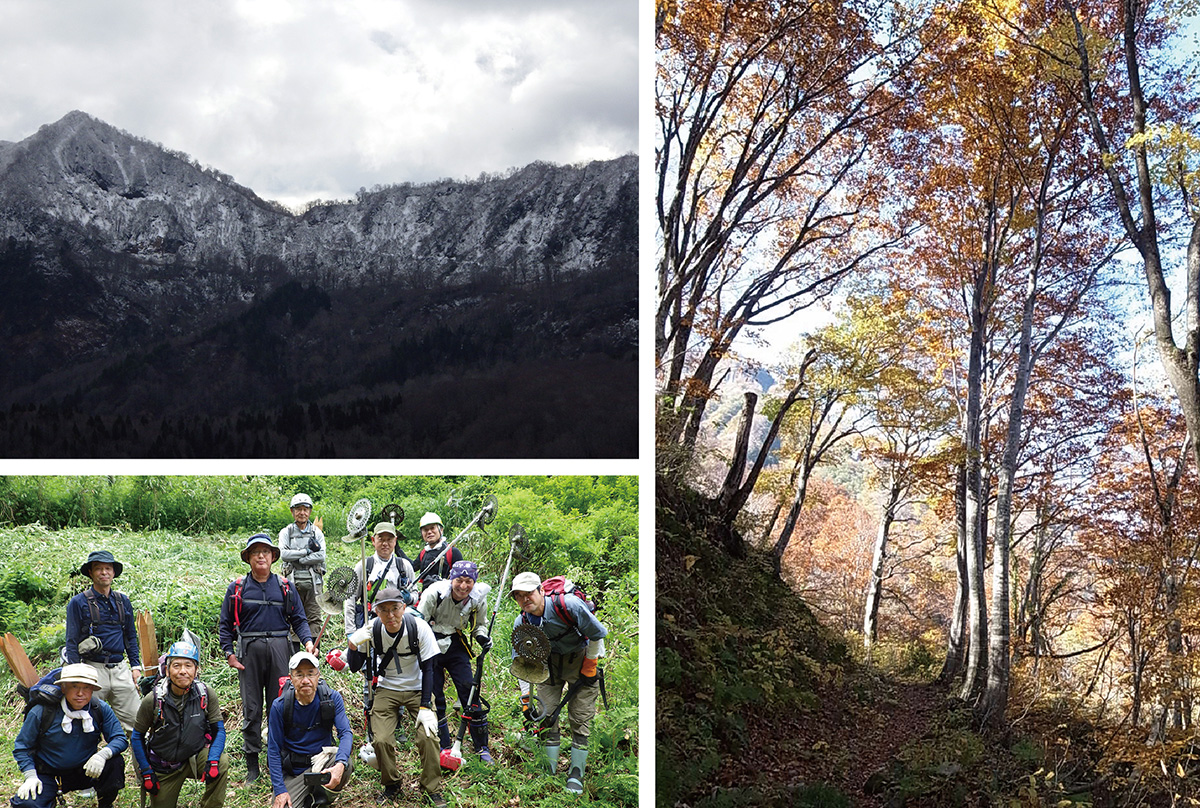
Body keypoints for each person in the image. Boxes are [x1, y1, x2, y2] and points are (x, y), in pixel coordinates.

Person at [218, 533, 315, 783]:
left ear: (273, 557)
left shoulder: (285, 586)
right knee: (252, 709)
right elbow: (225, 625)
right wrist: (229, 653)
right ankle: (252, 764)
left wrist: (307, 642)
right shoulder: (237, 588)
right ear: (248, 558)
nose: (261, 556)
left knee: (280, 706)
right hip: (249, 651)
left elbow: (299, 619)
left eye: (266, 552)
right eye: (255, 552)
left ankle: (279, 758)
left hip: (281, 649)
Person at [510, 572, 608, 795]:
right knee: (546, 714)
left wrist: (590, 665)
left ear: (541, 591)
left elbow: (597, 633)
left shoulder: (569, 606)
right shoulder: (522, 622)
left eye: (529, 593)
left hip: (580, 658)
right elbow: (522, 665)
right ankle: (549, 770)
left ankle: (576, 773)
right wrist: (527, 697)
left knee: (581, 715)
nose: (526, 599)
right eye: (519, 596)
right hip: (548, 665)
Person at [347, 586, 444, 807]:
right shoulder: (372, 630)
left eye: (395, 609)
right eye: (384, 610)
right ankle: (391, 784)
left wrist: (426, 707)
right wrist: (353, 644)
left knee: (428, 736)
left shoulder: (419, 628)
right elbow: (353, 666)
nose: (390, 615)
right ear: (376, 612)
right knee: (380, 739)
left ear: (404, 607)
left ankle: (432, 788)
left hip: (418, 687)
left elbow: (430, 668)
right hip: (386, 688)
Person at [10, 664, 128, 808]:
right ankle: (47, 800)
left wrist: (102, 755)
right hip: (50, 776)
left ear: (93, 690)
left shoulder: (99, 709)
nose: (80, 693)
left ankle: (105, 804)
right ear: (64, 688)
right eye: (74, 686)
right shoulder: (42, 711)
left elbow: (120, 738)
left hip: (86, 770)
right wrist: (30, 776)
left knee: (114, 762)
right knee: (26, 804)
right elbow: (22, 747)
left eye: (86, 687)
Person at [131, 641, 228, 808]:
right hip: (164, 766)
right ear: (167, 670)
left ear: (196, 670)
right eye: (176, 665)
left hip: (194, 757)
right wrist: (146, 772)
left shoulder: (205, 694)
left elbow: (218, 729)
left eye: (188, 665)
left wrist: (212, 760)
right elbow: (136, 737)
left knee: (222, 762)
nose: (183, 671)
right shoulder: (154, 700)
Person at [417, 560, 493, 763]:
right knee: (435, 694)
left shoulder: (477, 598)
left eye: (469, 581)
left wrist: (482, 637)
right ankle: (443, 745)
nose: (463, 586)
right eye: (459, 580)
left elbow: (479, 626)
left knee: (469, 690)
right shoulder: (435, 593)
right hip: (430, 640)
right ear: (452, 579)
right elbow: (418, 621)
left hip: (456, 642)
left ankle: (481, 746)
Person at [65, 550, 142, 732]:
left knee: (138, 726)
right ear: (91, 573)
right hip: (92, 669)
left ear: (114, 573)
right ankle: (89, 760)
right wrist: (77, 676)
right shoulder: (78, 603)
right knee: (87, 727)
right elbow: (72, 641)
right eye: (98, 569)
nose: (104, 572)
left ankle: (143, 761)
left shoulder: (123, 601)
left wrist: (135, 667)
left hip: (120, 669)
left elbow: (131, 635)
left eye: (108, 568)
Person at [266, 651, 354, 808]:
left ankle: (320, 801)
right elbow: (273, 750)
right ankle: (306, 799)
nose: (305, 680)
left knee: (345, 762)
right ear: (291, 678)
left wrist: (340, 764)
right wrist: (280, 790)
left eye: (310, 674)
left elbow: (346, 733)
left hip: (322, 763)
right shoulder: (280, 706)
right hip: (294, 771)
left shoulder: (331, 699)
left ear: (318, 676)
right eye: (299, 675)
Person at [342, 522, 417, 637]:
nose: (385, 544)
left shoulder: (404, 566)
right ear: (373, 540)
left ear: (395, 541)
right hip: (371, 624)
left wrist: (409, 598)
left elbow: (415, 594)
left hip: (398, 624)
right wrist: (350, 631)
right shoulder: (364, 566)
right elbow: (350, 598)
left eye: (389, 540)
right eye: (381, 539)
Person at [279, 493, 326, 642]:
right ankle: (296, 661)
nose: (302, 512)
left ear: (310, 511)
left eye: (305, 509)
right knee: (293, 618)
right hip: (292, 582)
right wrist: (306, 552)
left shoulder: (317, 532)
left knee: (314, 618)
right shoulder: (286, 532)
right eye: (298, 509)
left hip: (314, 582)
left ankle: (312, 659)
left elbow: (321, 556)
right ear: (292, 511)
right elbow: (284, 554)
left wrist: (299, 559)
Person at [413, 513, 462, 590]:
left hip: (447, 597)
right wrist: (397, 549)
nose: (429, 532)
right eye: (425, 530)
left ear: (441, 530)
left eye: (432, 528)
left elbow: (462, 578)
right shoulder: (424, 553)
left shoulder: (452, 552)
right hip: (426, 597)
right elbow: (412, 567)